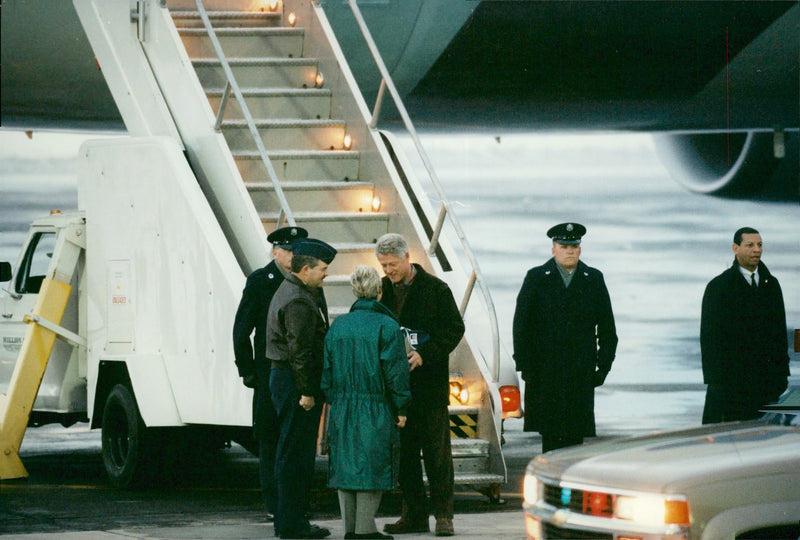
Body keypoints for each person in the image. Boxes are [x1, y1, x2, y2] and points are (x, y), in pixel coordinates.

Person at [375, 233, 464, 538]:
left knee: (437, 455)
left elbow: (455, 328)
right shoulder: (382, 290)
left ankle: (443, 516)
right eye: (384, 265)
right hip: (396, 391)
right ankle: (413, 514)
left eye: (392, 264)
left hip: (429, 388)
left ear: (406, 257)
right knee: (405, 457)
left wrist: (424, 355)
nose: (388, 270)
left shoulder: (436, 289)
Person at [322, 265, 411, 540]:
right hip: (375, 406)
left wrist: (334, 400)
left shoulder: (338, 326)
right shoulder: (387, 326)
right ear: (380, 292)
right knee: (372, 466)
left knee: (346, 467)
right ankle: (365, 530)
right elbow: (396, 373)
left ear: (354, 291)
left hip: (342, 407)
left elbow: (326, 373)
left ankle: (351, 529)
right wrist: (401, 407)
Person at [512, 222, 618, 453]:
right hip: (545, 374)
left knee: (575, 440)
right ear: (553, 249)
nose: (569, 250)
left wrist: (603, 367)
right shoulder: (537, 278)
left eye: (574, 245)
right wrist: (525, 366)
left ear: (580, 248)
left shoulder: (593, 279)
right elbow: (521, 326)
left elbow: (608, 329)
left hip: (579, 375)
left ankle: (569, 487)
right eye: (563, 246)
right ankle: (550, 485)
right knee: (550, 439)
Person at [232, 225, 308, 523]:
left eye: (296, 250)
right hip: (267, 372)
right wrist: (247, 370)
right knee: (269, 439)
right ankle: (274, 504)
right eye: (289, 250)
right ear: (276, 252)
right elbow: (242, 328)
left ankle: (293, 504)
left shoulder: (305, 279)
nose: (293, 255)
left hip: (296, 373)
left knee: (293, 440)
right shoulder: (261, 281)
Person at [267, 237, 337, 539]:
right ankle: (294, 524)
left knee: (290, 451)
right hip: (295, 383)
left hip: (285, 379)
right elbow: (300, 352)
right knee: (297, 454)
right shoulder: (299, 300)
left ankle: (287, 521)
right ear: (306, 268)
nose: (326, 274)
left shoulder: (295, 290)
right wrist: (307, 392)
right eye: (322, 269)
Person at [700, 227, 789, 424]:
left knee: (762, 444)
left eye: (759, 245)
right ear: (735, 248)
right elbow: (709, 339)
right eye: (750, 245)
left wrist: (783, 374)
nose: (757, 250)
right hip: (731, 386)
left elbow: (780, 334)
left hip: (766, 384)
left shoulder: (772, 285)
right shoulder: (718, 287)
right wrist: (716, 382)